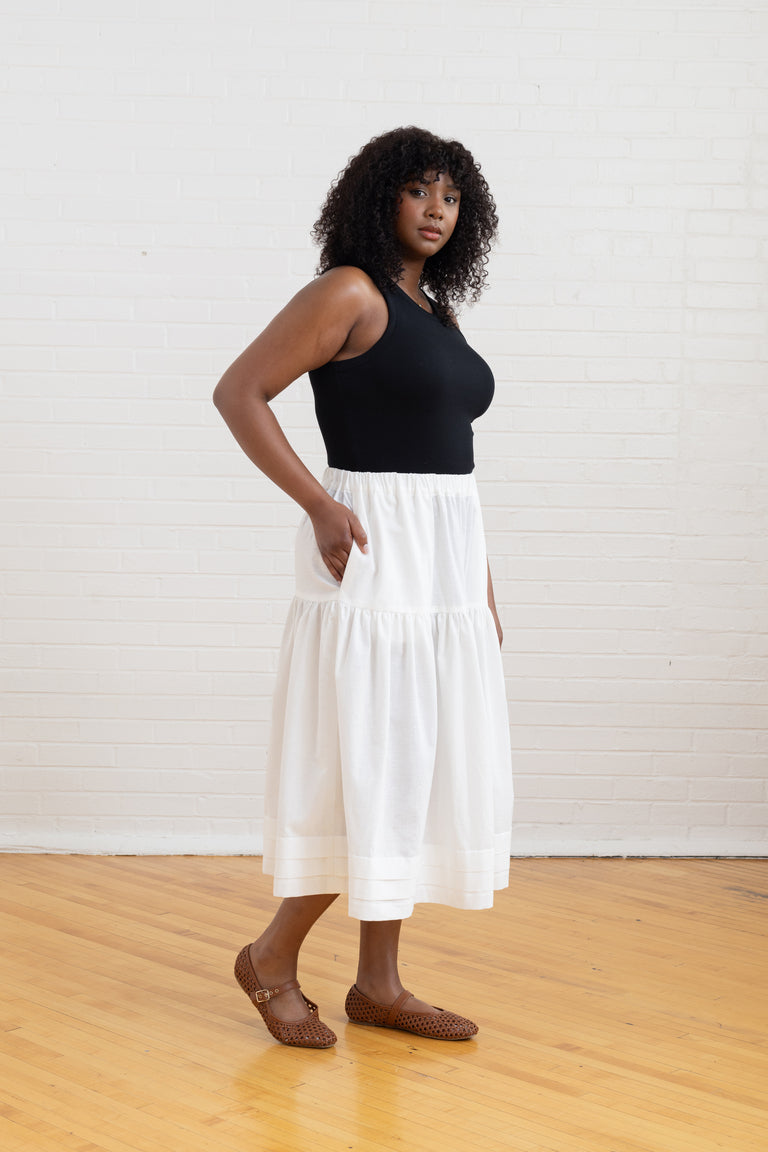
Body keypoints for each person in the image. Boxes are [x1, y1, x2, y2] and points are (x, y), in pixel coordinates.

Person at [213, 126, 513, 1049]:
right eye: (419, 190)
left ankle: (379, 983)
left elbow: (454, 469)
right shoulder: (348, 292)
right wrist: (318, 505)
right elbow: (239, 392)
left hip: (443, 564)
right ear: (381, 196)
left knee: (414, 761)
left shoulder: (436, 311)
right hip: (373, 550)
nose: (436, 210)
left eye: (452, 197)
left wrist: (479, 588)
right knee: (370, 759)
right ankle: (270, 956)